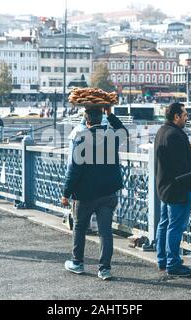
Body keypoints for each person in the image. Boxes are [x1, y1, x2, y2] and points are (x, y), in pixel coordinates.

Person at [62, 107, 126, 280]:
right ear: (101, 119)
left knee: (80, 227)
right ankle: (104, 269)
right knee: (105, 231)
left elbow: (74, 170)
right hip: (107, 193)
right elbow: (124, 132)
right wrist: (111, 114)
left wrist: (66, 193)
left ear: (86, 120)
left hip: (85, 195)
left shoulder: (82, 138)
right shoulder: (111, 136)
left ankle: (77, 263)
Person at [154, 102, 191, 277]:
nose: (186, 118)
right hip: (177, 190)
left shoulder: (162, 132)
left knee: (164, 224)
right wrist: (189, 190)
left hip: (164, 188)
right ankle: (173, 264)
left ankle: (162, 260)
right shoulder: (175, 135)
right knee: (175, 227)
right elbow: (182, 166)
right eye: (184, 114)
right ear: (176, 116)